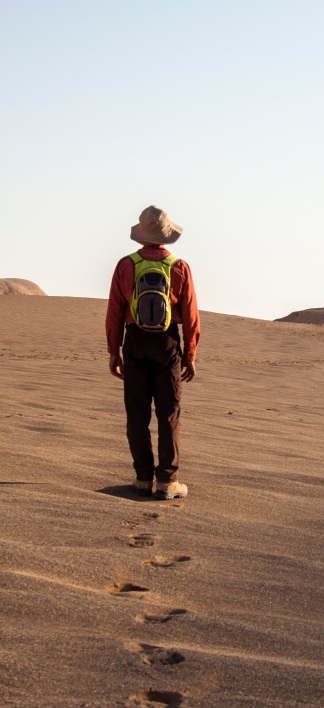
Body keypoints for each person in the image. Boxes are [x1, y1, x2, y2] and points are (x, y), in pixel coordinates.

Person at [106, 205, 200, 499]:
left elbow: (114, 312)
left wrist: (114, 351)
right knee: (169, 413)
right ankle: (168, 481)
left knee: (137, 414)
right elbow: (191, 315)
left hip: (134, 342)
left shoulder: (126, 265)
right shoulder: (179, 266)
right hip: (167, 344)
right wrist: (190, 355)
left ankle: (143, 478)